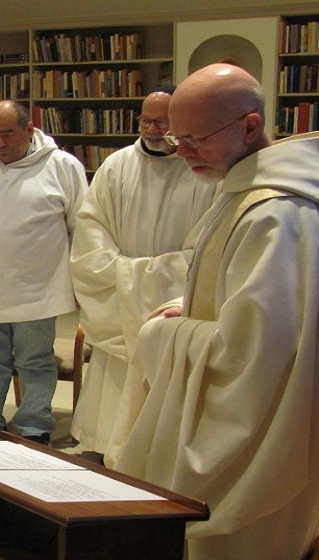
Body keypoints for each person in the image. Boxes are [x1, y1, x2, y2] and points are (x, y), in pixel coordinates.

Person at [104, 64, 319, 560]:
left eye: (193, 139)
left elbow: (256, 356)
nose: (180, 152)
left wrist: (165, 336)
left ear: (251, 125)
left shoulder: (279, 213)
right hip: (235, 414)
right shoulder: (239, 190)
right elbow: (235, 300)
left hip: (254, 442)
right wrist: (186, 311)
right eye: (172, 138)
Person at [68, 87, 218, 456]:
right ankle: (105, 445)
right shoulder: (116, 165)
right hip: (118, 298)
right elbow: (92, 229)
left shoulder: (203, 171)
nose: (153, 129)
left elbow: (209, 244)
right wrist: (118, 272)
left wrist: (144, 275)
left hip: (171, 303)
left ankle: (157, 452)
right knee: (115, 386)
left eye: (163, 122)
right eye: (146, 120)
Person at [0, 100, 86, 444]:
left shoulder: (62, 166)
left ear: (29, 129)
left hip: (38, 288)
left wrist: (78, 282)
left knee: (35, 361)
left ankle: (33, 424)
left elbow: (80, 228)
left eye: (7, 134)